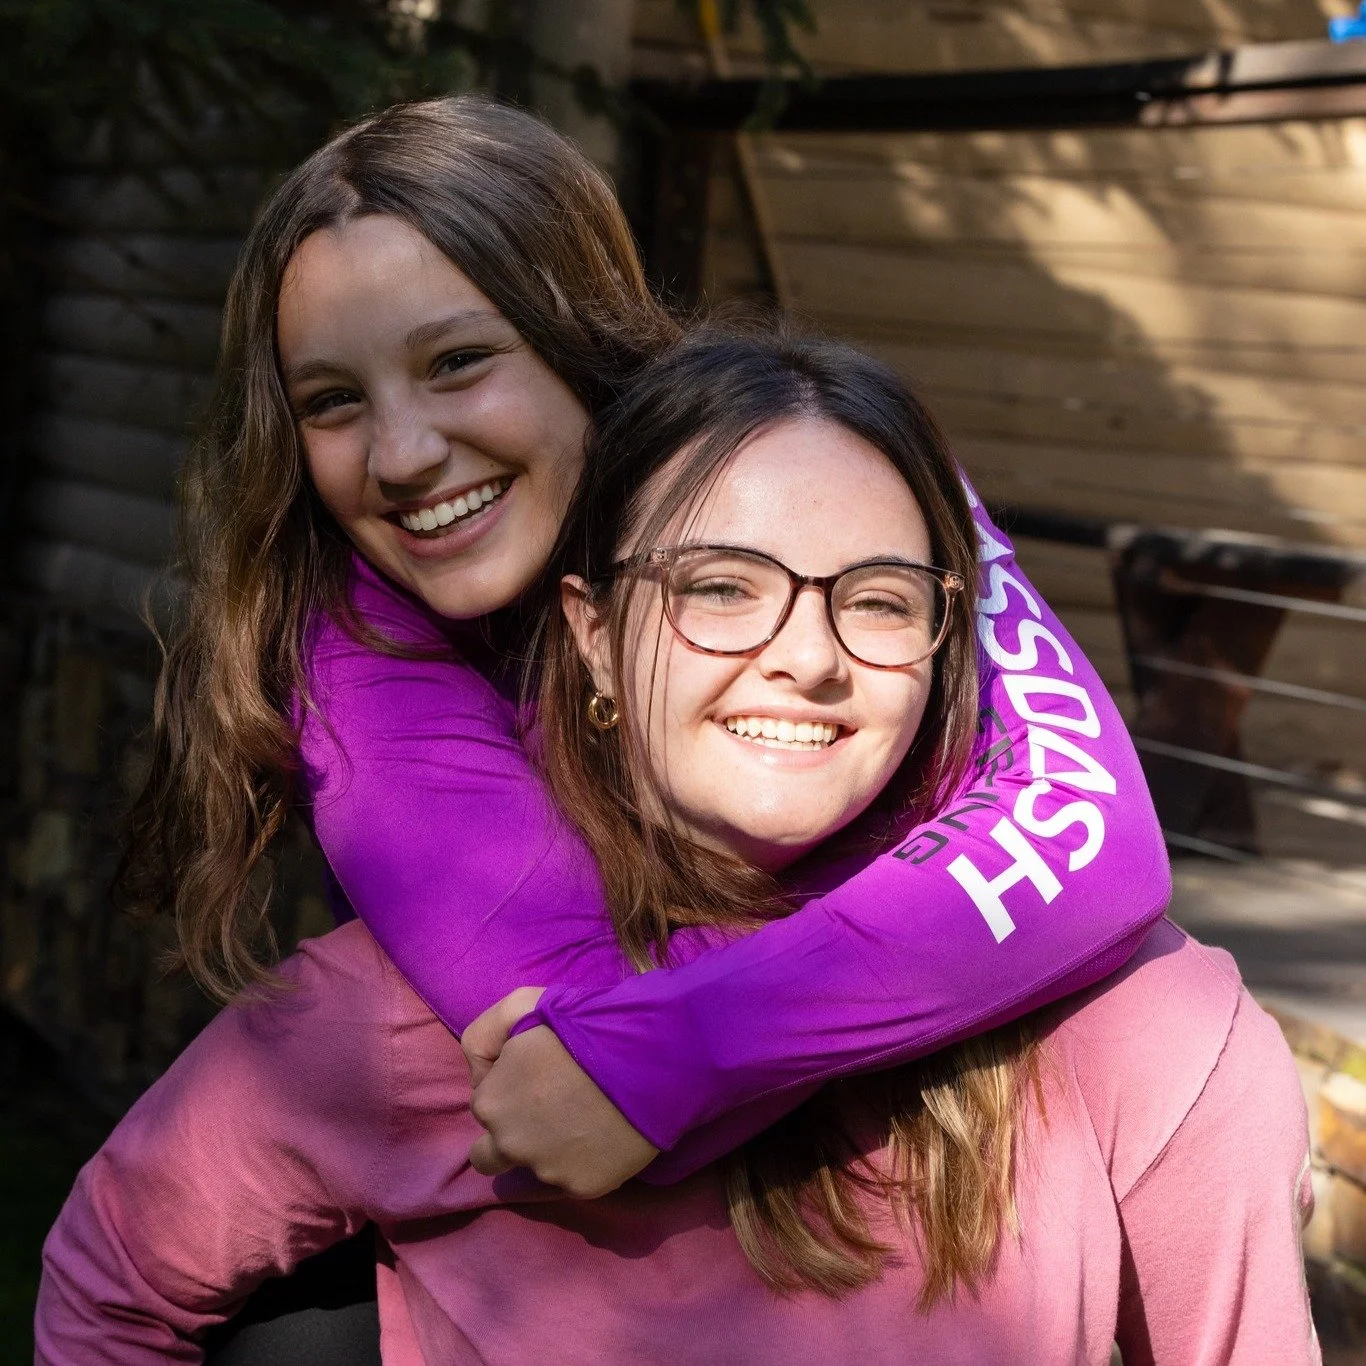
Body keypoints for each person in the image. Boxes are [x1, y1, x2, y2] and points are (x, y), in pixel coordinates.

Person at [38, 330, 1317, 1364]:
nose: (807, 656)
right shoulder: (407, 1021)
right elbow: (111, 1281)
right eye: (720, 586)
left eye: (878, 600)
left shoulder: (1144, 1033)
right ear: (592, 634)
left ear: (946, 649)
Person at [119, 92, 1169, 1207]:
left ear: (579, 337)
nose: (403, 453)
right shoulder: (351, 641)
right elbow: (574, 1056)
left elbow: (1086, 824)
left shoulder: (826, 461)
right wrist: (937, 923)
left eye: (459, 361)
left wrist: (693, 1038)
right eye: (332, 400)